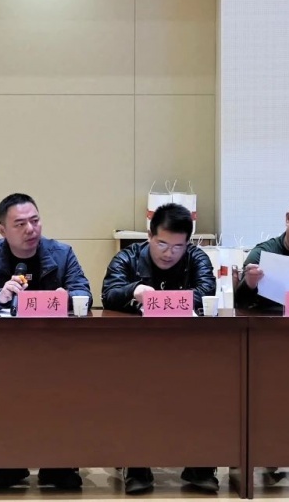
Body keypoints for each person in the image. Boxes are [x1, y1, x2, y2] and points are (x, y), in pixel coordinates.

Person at [0, 193, 91, 490]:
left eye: (35, 220)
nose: (30, 229)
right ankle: (9, 463)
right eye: (20, 224)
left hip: (56, 349)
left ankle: (57, 465)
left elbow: (83, 292)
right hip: (6, 351)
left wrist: (67, 298)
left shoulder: (62, 253)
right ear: (2, 230)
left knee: (63, 393)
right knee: (1, 392)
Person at [101, 203, 218, 493]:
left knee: (209, 387)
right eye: (162, 244)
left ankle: (201, 464)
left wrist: (163, 300)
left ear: (187, 242)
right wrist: (133, 290)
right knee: (133, 390)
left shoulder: (197, 258)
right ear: (150, 236)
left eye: (178, 246)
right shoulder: (127, 258)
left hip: (188, 350)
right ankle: (137, 465)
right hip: (137, 350)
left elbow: (206, 292)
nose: (169, 253)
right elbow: (108, 295)